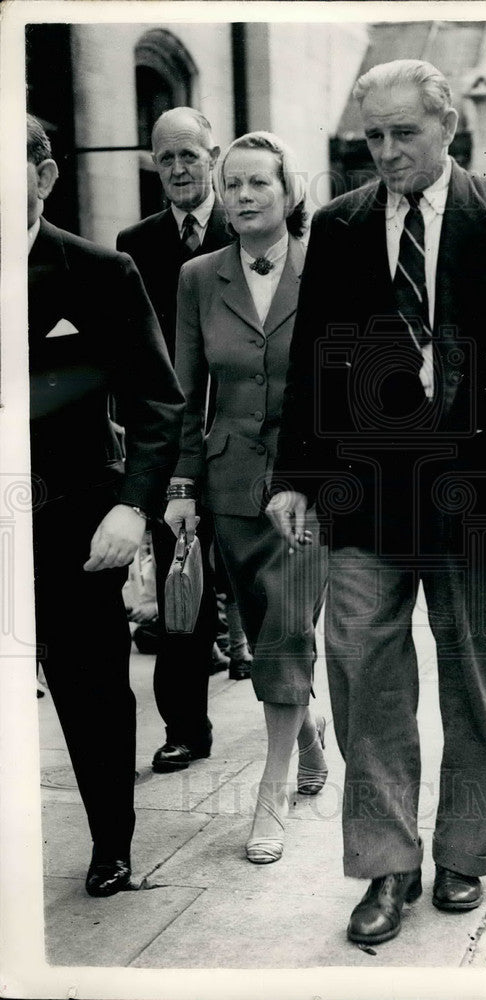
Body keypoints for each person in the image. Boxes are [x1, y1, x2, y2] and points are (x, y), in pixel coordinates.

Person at [267, 60, 486, 945]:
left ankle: (465, 853)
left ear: (448, 128)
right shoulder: (339, 225)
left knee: (477, 677)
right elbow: (314, 360)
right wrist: (296, 476)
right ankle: (385, 866)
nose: (388, 150)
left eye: (405, 133)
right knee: (364, 676)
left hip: (478, 495)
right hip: (366, 498)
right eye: (374, 136)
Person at [27, 114, 184, 896]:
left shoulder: (98, 273)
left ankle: (110, 845)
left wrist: (131, 507)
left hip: (74, 522)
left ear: (45, 175)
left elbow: (159, 402)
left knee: (89, 687)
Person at [164, 131, 329, 866]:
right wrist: (181, 489)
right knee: (266, 637)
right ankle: (311, 737)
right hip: (231, 488)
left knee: (290, 629)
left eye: (260, 182)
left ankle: (271, 793)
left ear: (289, 192)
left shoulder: (324, 269)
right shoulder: (199, 278)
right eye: (232, 185)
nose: (244, 196)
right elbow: (184, 394)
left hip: (310, 493)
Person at [116, 108, 242, 778]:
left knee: (272, 586)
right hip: (175, 450)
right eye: (165, 158)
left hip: (248, 439)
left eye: (189, 155)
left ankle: (297, 719)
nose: (179, 169)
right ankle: (185, 727)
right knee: (180, 591)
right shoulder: (135, 244)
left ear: (213, 154)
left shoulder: (248, 222)